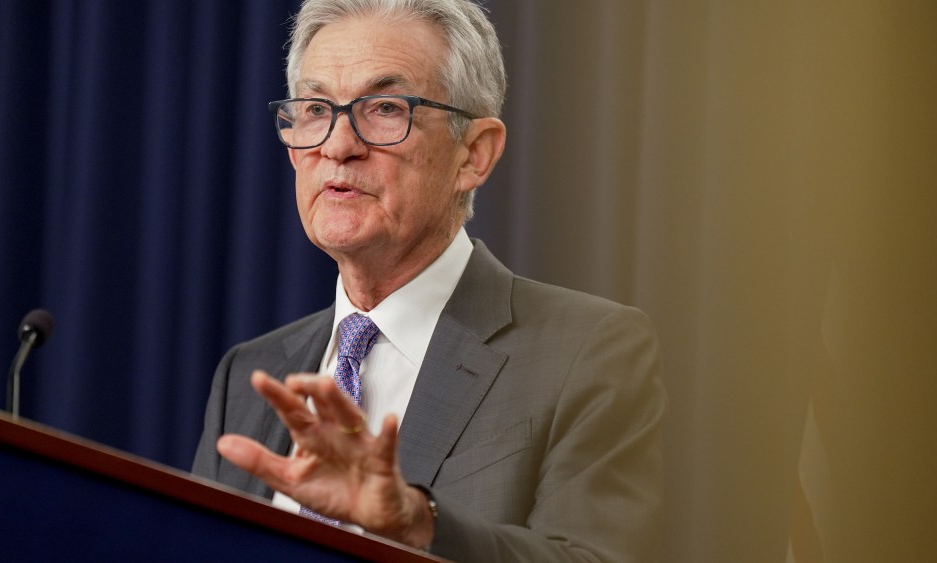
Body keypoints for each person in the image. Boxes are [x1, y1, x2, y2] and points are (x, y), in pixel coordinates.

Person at [192, 0, 665, 560]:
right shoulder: (250, 372)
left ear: (474, 154)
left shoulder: (587, 351)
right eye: (316, 109)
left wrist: (419, 524)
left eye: (386, 108)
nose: (339, 146)